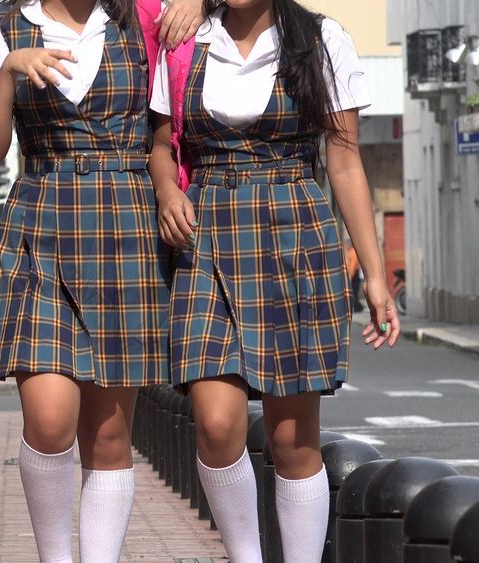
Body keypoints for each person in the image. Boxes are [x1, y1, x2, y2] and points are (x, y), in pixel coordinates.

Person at [149, 0, 401, 561]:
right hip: (204, 234)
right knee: (215, 426)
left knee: (291, 440)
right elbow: (163, 146)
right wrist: (168, 190)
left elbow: (344, 161)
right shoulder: (189, 40)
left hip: (294, 234)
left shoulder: (320, 39)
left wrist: (376, 275)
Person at [0, 0, 203, 560]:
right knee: (50, 422)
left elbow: (160, 134)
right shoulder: (2, 23)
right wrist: (8, 72)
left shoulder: (143, 16)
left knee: (108, 434)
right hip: (42, 216)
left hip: (125, 224)